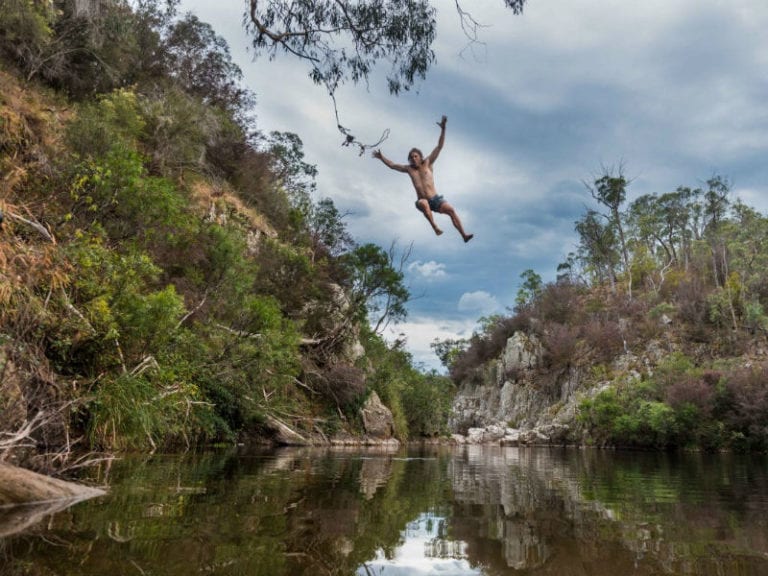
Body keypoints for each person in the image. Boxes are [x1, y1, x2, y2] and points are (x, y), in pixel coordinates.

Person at [372, 115, 473, 242]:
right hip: (422, 200)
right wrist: (382, 158)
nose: (413, 159)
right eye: (411, 157)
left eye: (416, 156)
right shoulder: (409, 169)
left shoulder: (428, 163)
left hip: (436, 200)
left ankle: (464, 235)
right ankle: (435, 227)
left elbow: (439, 147)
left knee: (451, 210)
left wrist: (443, 129)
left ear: (420, 157)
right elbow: (392, 165)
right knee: (424, 203)